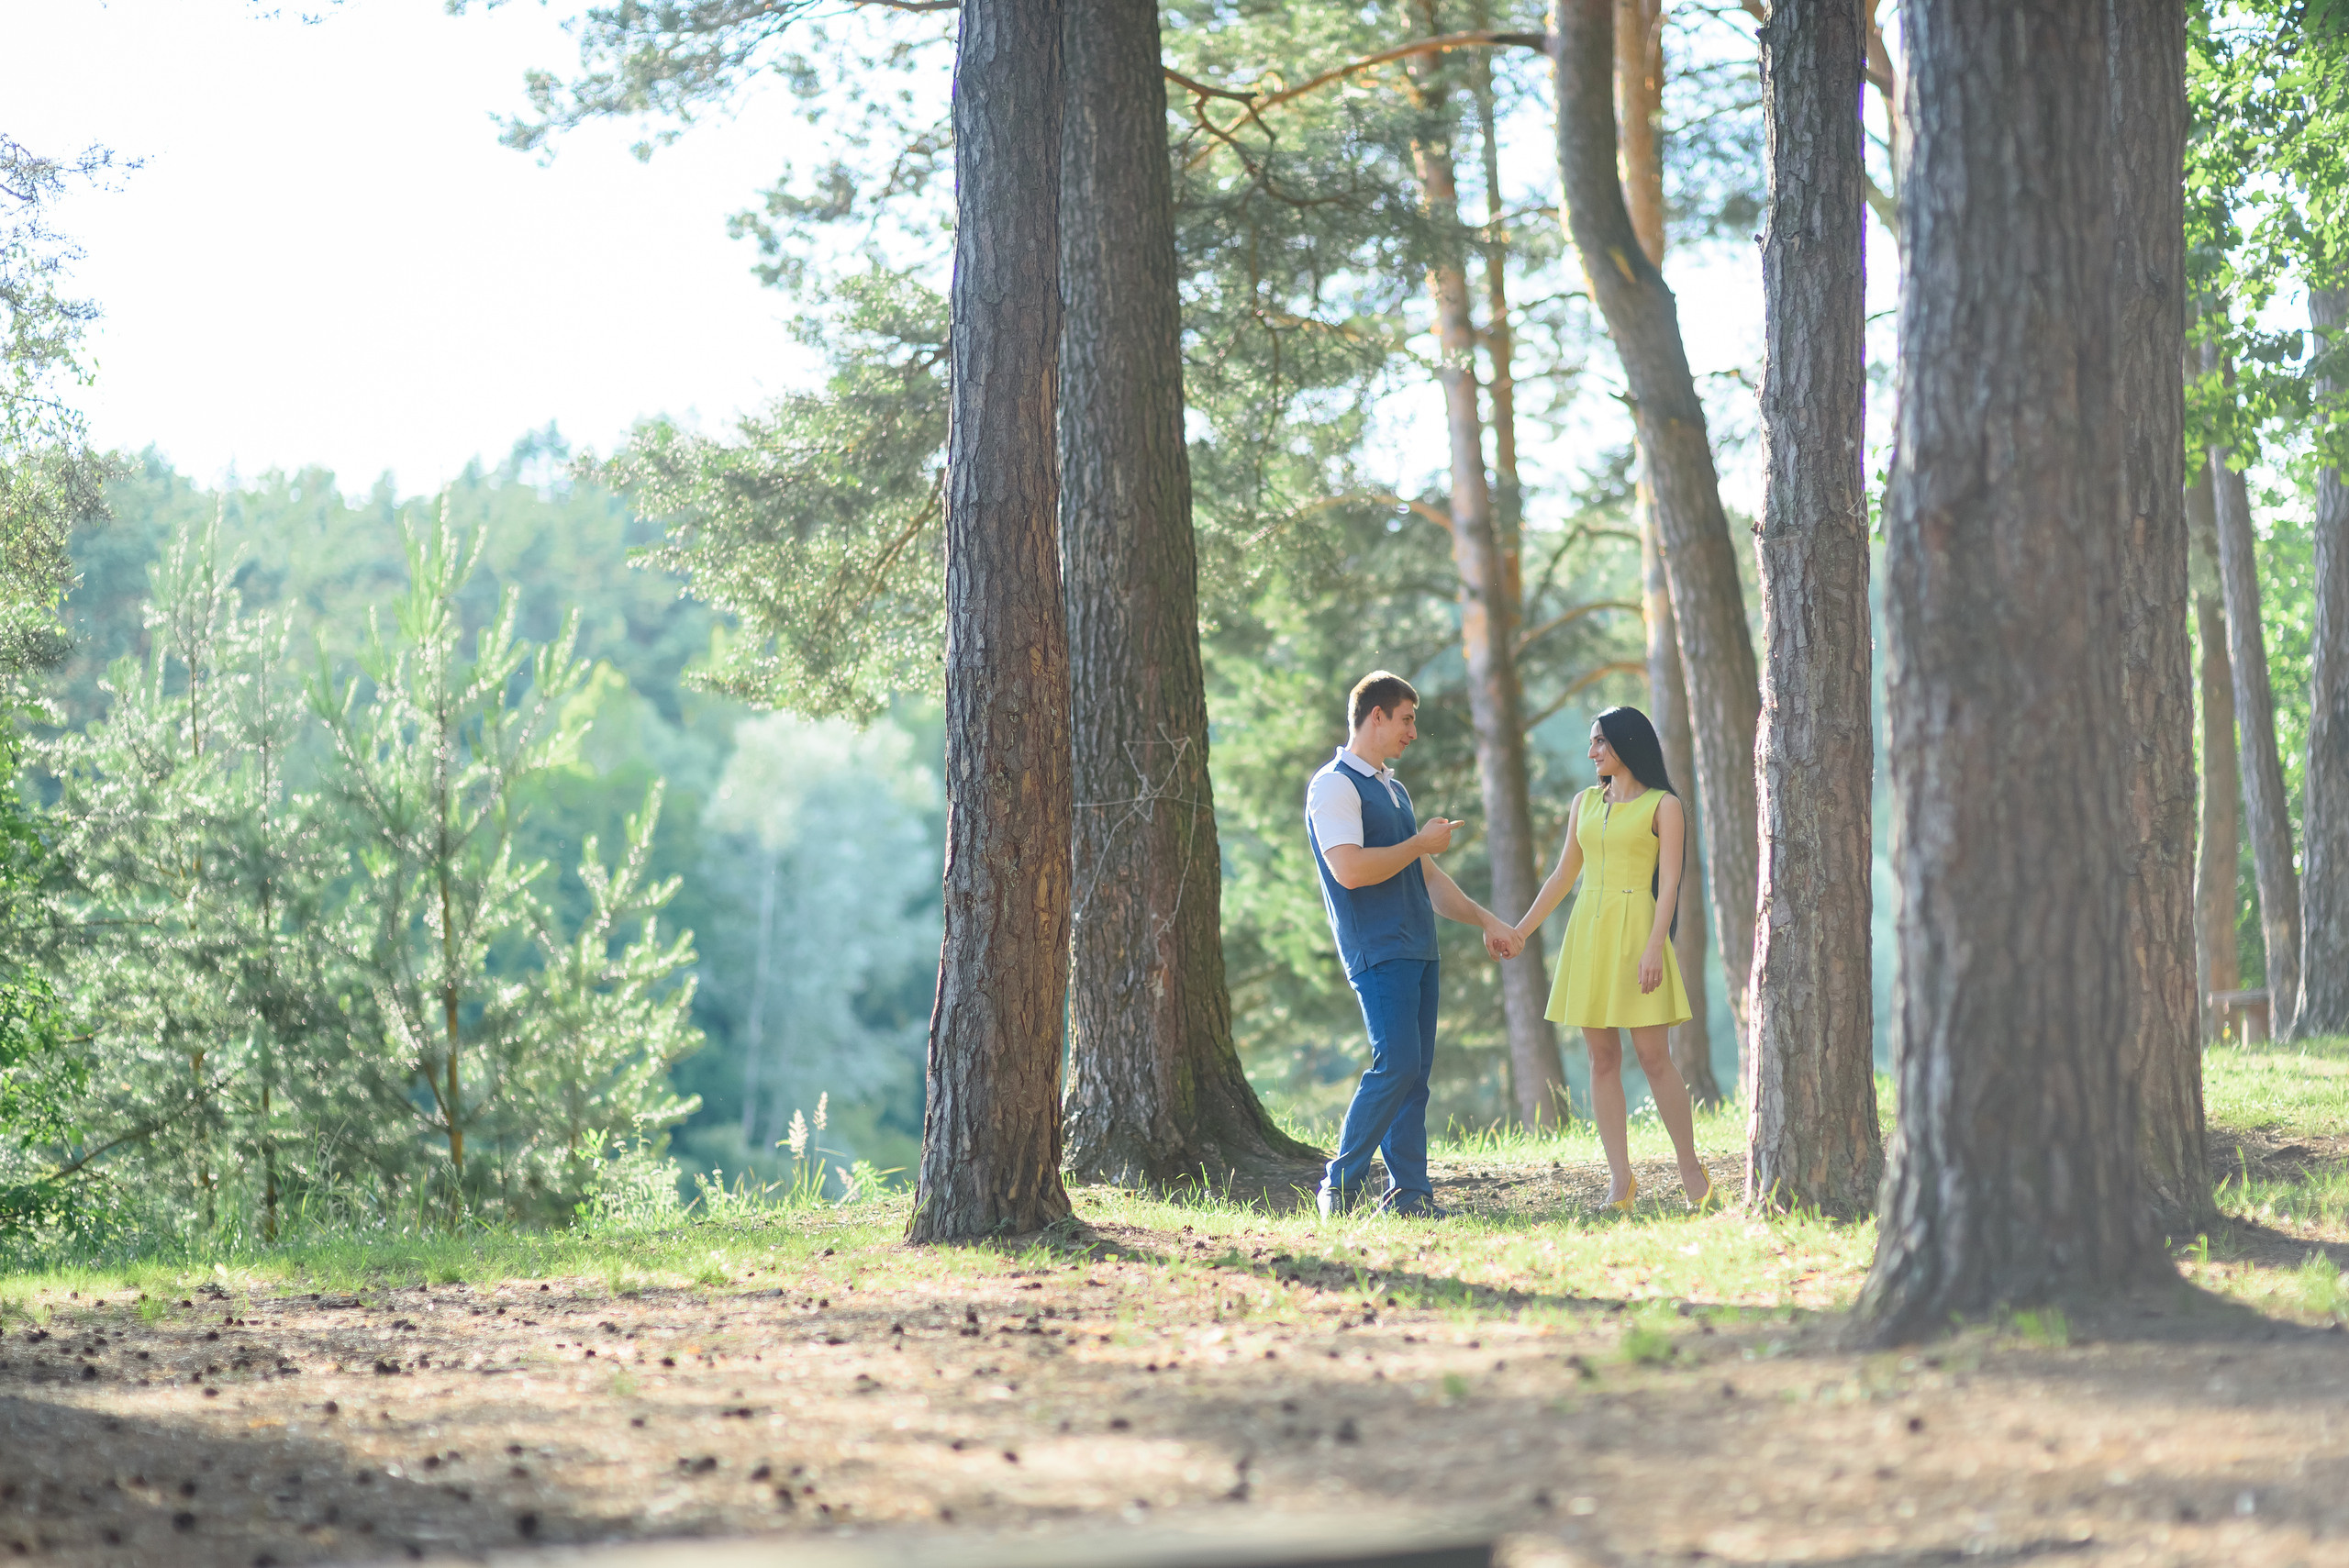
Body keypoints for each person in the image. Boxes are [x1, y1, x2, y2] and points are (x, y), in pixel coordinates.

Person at [1306, 671, 1523, 1218]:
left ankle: (1409, 1195)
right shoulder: (1333, 785)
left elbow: (1428, 877)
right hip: (1377, 948)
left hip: (1420, 947)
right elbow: (1350, 870)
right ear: (1375, 716)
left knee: (1414, 1076)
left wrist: (1485, 920)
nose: (1413, 732)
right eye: (1406, 719)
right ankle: (1338, 1184)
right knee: (1397, 1065)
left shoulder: (1393, 788)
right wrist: (1418, 842)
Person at [1511, 706, 1713, 1211]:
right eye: (1592, 742)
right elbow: (1563, 877)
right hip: (1590, 933)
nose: (1592, 752)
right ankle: (1620, 1182)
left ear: (1627, 742)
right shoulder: (1584, 803)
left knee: (1654, 1057)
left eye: (1600, 741)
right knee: (1602, 1060)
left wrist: (1655, 946)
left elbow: (1671, 883)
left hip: (1639, 932)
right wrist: (1520, 932)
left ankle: (1692, 1172)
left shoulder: (1665, 805)